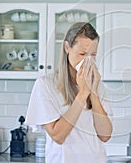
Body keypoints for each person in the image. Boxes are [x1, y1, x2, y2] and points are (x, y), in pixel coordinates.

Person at [25, 22, 113, 163]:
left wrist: (94, 92)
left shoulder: (97, 84)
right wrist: (83, 93)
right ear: (67, 47)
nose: (88, 61)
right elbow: (58, 136)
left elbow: (105, 135)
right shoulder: (46, 85)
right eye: (82, 54)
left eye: (93, 55)